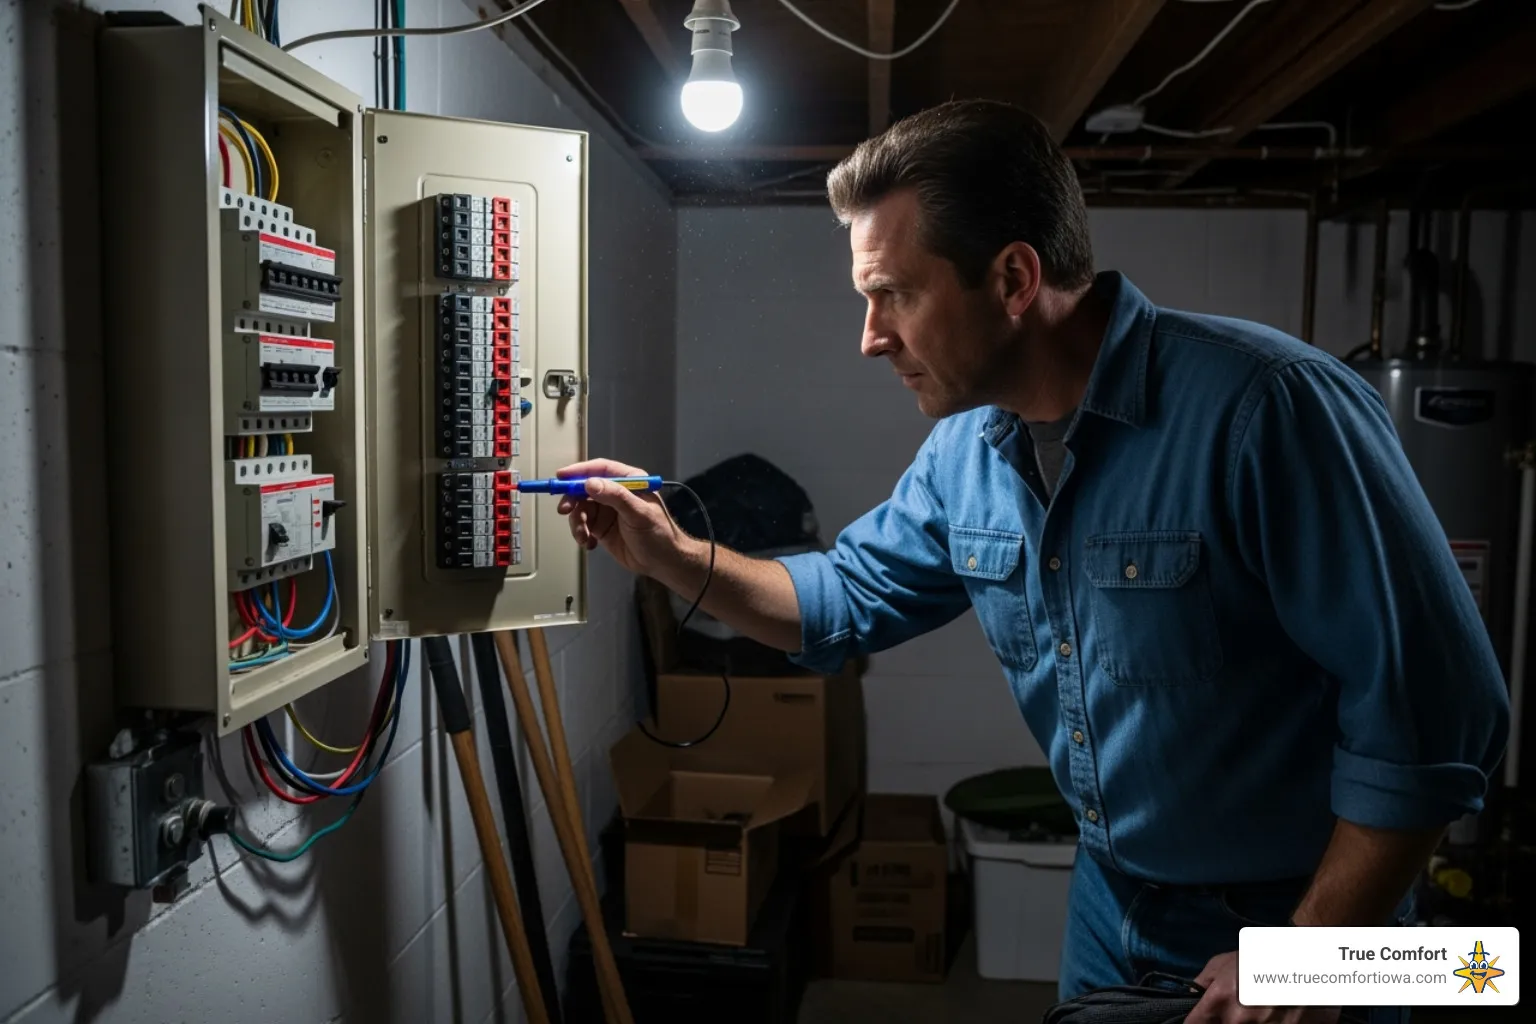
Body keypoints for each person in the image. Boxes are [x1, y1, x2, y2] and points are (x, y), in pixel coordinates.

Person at [556, 100, 1509, 1024]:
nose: (870, 336)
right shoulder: (970, 450)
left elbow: (1438, 713)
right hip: (1110, 899)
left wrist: (1314, 957)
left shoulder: (1268, 409)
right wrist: (671, 555)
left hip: (1312, 911)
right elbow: (839, 600)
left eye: (894, 295)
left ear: (1014, 279)